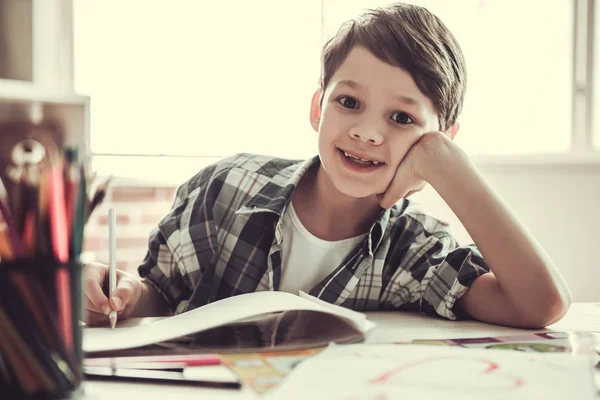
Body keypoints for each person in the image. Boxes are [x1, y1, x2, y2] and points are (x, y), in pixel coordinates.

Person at [84, 2, 571, 329]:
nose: (367, 132)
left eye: (401, 118)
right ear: (318, 107)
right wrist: (123, 292)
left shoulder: (413, 252)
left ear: (441, 140)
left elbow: (542, 304)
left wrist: (443, 163)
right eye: (349, 102)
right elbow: (161, 297)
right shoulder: (226, 188)